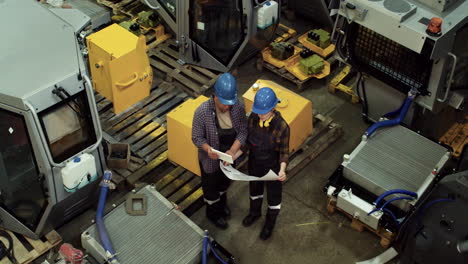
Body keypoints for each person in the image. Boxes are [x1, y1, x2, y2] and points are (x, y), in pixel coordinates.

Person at [192, 73, 248, 229]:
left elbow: (243, 131)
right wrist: (207, 149)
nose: (227, 107)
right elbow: (196, 137)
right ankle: (213, 214)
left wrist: (232, 151)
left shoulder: (238, 107)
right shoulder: (202, 112)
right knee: (211, 189)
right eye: (224, 103)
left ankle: (222, 205)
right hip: (209, 158)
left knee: (224, 183)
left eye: (230, 103)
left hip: (229, 157)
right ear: (214, 96)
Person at [241, 87, 290, 240]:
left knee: (274, 198)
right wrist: (232, 155)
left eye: (264, 112)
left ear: (273, 108)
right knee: (255, 191)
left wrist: (282, 170)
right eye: (258, 111)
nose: (260, 115)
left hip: (273, 167)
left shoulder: (282, 126)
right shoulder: (253, 118)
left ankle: (269, 224)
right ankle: (254, 213)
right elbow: (247, 143)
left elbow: (284, 152)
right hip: (255, 162)